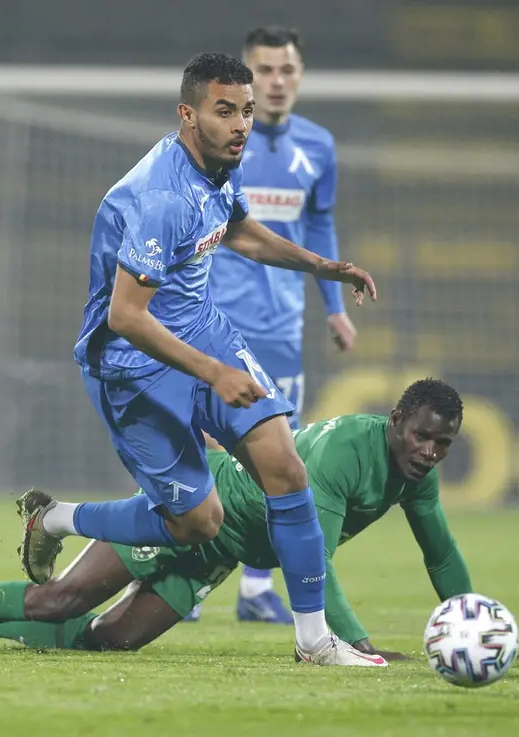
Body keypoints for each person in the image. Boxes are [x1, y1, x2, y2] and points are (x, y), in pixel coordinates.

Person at [21, 52, 378, 666]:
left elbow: (239, 231)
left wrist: (321, 266)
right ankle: (56, 519)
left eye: (246, 111)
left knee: (286, 470)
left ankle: (314, 641)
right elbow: (125, 316)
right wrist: (214, 373)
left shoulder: (218, 166)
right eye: (225, 111)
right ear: (187, 115)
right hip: (133, 363)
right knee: (198, 524)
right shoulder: (163, 197)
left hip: (204, 332)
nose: (241, 126)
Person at [0, 378, 472, 668]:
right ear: (396, 421)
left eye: (442, 444)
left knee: (111, 642)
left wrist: (469, 619)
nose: (429, 452)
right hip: (198, 508)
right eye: (422, 437)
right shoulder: (344, 456)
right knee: (61, 600)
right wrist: (357, 643)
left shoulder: (417, 475)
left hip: (221, 552)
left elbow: (440, 553)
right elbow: (312, 561)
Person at [190, 26, 357, 624]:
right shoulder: (218, 142)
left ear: (300, 75)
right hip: (215, 322)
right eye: (265, 70)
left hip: (284, 326)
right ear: (246, 77)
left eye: (287, 70)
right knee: (208, 453)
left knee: (280, 456)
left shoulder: (318, 146)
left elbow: (320, 226)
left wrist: (334, 305)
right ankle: (189, 578)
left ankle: (256, 587)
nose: (277, 81)